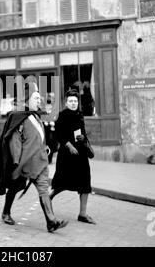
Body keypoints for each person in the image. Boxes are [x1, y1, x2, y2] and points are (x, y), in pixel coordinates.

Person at [0, 82, 68, 233]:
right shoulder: (18, 117)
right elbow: (15, 141)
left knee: (43, 189)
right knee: (13, 188)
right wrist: (15, 162)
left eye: (39, 98)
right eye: (36, 97)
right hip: (22, 163)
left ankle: (51, 221)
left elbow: (36, 138)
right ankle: (6, 212)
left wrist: (44, 147)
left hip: (38, 162)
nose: (39, 100)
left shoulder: (35, 116)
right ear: (27, 100)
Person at [50, 90, 96, 224]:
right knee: (61, 183)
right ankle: (46, 200)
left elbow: (83, 133)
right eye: (71, 101)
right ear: (66, 102)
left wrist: (83, 137)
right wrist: (69, 146)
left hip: (81, 155)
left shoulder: (79, 115)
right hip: (67, 156)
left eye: (75, 101)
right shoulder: (61, 116)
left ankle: (82, 214)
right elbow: (59, 135)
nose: (73, 103)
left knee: (85, 182)